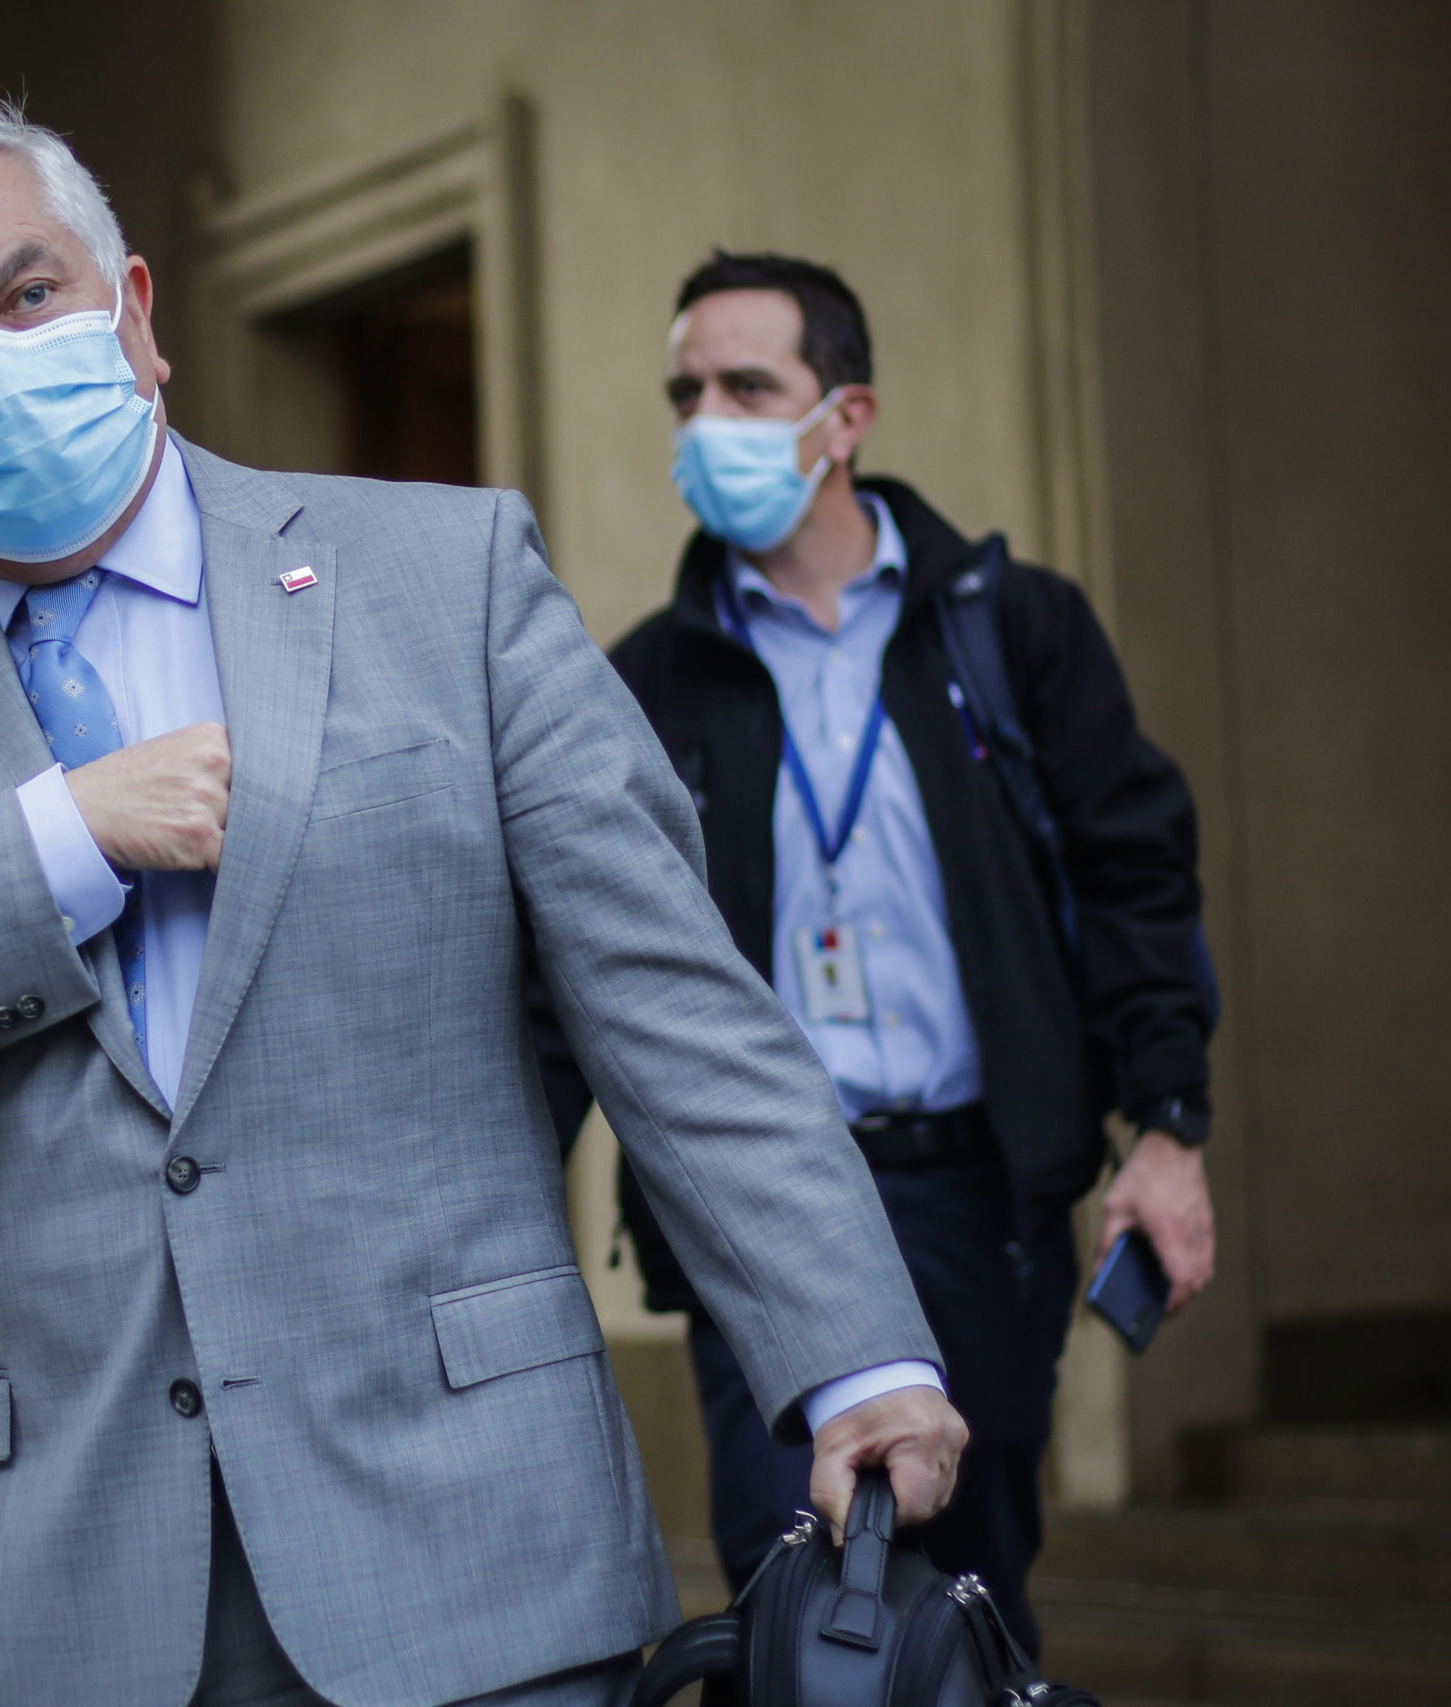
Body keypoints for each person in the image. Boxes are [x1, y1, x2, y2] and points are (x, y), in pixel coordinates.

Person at [0, 104, 967, 1707]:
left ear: (134, 313)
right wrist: (62, 837)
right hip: (53, 1592)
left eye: (28, 293)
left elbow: (669, 1003)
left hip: (470, 1543)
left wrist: (854, 1355)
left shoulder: (448, 574)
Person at [556, 250, 1218, 1657]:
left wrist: (1166, 1124)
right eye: (687, 394)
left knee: (971, 1600)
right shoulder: (644, 680)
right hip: (759, 1204)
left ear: (845, 416)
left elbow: (1135, 872)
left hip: (977, 1196)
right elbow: (590, 961)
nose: (706, 424)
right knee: (793, 1607)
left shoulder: (1008, 627)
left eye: (748, 388)